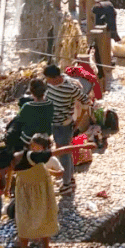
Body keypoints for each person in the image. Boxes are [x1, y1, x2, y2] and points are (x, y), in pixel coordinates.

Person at [9, 133, 63, 248]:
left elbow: (48, 169)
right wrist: (6, 188)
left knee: (44, 216)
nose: (34, 149)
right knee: (23, 220)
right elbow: (11, 170)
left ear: (44, 148)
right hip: (24, 192)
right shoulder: (21, 157)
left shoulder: (44, 158)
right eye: (32, 146)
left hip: (41, 190)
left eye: (37, 147)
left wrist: (55, 173)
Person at [44, 63, 86, 198]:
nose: (47, 82)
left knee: (64, 153)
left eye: (49, 79)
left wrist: (78, 121)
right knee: (59, 150)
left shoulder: (70, 87)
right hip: (52, 123)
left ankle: (67, 184)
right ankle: (70, 179)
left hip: (64, 125)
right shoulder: (49, 84)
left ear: (55, 78)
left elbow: (86, 102)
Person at [5, 77, 53, 152]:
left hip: (28, 139)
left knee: (13, 127)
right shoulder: (50, 104)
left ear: (31, 91)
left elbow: (19, 120)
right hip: (45, 136)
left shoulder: (27, 106)